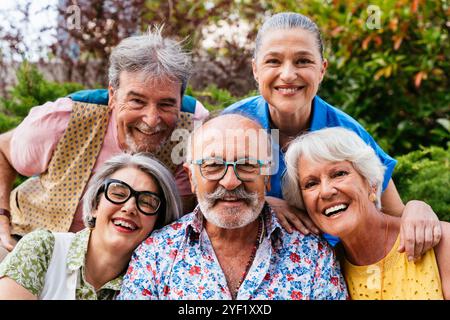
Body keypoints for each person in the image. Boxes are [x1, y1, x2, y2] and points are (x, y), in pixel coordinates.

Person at [222, 12, 441, 260]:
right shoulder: (230, 126)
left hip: (331, 267)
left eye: (303, 61)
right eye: (273, 61)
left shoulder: (347, 132)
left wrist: (418, 207)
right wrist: (263, 203)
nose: (288, 74)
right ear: (255, 69)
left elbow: (393, 214)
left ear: (322, 69)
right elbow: (203, 197)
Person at [0, 27, 208, 261]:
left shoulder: (196, 129)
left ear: (180, 101)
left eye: (166, 105)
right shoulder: (64, 119)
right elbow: (3, 150)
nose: (151, 120)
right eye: (137, 101)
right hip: (25, 238)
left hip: (123, 264)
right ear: (112, 95)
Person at [117, 114, 348, 300]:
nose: (230, 181)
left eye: (247, 165)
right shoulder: (155, 255)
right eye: (213, 165)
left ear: (267, 176)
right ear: (191, 177)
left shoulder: (313, 257)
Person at [283, 127, 450, 300]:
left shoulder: (439, 240)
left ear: (372, 184)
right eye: (311, 184)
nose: (326, 191)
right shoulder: (325, 269)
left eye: (339, 174)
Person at [0, 153, 182, 299]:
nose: (129, 208)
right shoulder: (43, 248)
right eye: (118, 193)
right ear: (95, 205)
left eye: (147, 203)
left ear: (158, 223)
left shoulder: (152, 287)